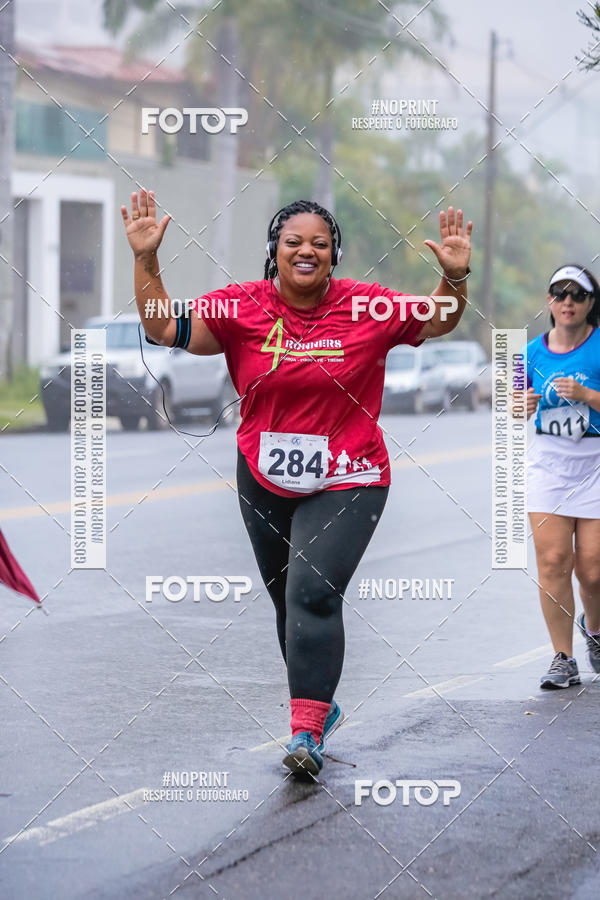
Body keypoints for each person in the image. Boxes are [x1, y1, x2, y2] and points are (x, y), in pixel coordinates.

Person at [121, 189, 472, 775]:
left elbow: (437, 319)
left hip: (350, 472)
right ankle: (320, 702)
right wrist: (146, 261)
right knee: (289, 601)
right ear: (274, 252)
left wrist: (453, 279)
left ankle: (304, 732)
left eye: (320, 243)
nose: (307, 250)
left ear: (335, 254)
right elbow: (164, 330)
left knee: (312, 591)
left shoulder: (368, 307)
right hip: (261, 473)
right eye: (294, 242)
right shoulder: (239, 307)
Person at [524, 265, 600, 689]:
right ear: (549, 301)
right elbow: (512, 402)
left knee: (593, 570)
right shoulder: (530, 353)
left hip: (595, 463)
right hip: (549, 465)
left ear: (591, 302)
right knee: (553, 561)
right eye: (559, 294)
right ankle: (562, 658)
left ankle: (596, 628)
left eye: (577, 295)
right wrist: (522, 402)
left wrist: (588, 395)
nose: (567, 302)